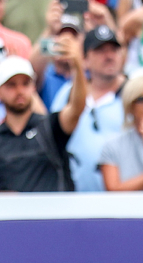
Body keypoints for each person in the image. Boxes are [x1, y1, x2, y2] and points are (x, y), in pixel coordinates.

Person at [50, 25, 126, 192]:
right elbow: (51, 135)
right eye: (100, 50)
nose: (109, 56)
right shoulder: (68, 93)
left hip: (123, 198)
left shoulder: (137, 94)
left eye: (114, 49)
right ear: (84, 59)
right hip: (73, 197)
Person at [0, 50, 85, 192]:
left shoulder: (50, 126)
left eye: (25, 83)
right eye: (11, 85)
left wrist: (77, 66)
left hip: (56, 213)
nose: (19, 90)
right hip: (11, 214)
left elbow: (77, 108)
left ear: (33, 87)